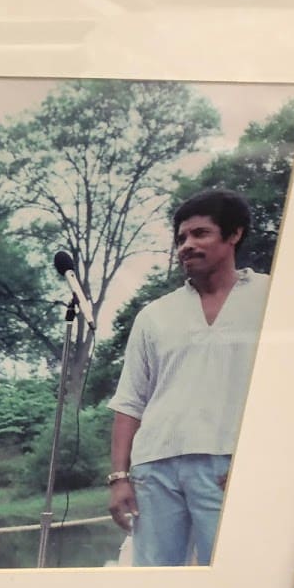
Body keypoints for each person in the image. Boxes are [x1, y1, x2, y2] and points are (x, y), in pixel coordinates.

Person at [106, 188, 270, 566]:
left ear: (234, 235)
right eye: (181, 238)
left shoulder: (271, 296)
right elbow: (130, 400)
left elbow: (293, 391)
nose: (186, 245)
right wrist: (119, 477)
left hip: (230, 464)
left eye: (200, 234)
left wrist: (259, 462)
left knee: (230, 579)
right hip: (155, 469)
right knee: (155, 587)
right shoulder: (155, 314)